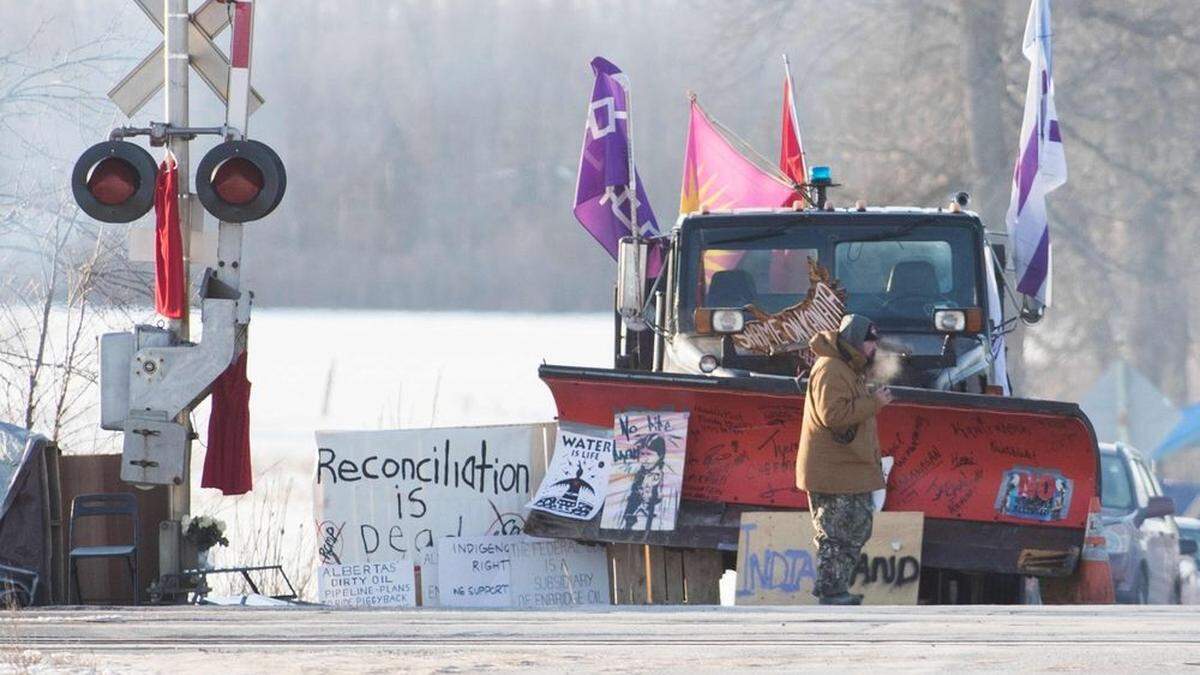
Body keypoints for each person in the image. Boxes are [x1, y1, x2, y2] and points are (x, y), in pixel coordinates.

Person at [796, 313, 893, 605]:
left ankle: (836, 588)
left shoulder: (847, 369)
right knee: (836, 533)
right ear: (855, 342)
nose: (875, 349)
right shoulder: (831, 369)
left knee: (855, 528)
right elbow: (833, 416)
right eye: (870, 342)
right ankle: (830, 591)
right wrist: (874, 403)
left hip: (847, 469)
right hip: (834, 471)